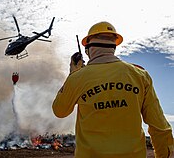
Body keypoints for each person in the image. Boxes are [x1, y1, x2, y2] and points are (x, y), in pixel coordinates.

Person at [52, 21, 174, 158]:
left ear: (89, 48)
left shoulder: (77, 78)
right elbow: (159, 126)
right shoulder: (140, 75)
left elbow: (59, 111)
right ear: (114, 46)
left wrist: (72, 74)